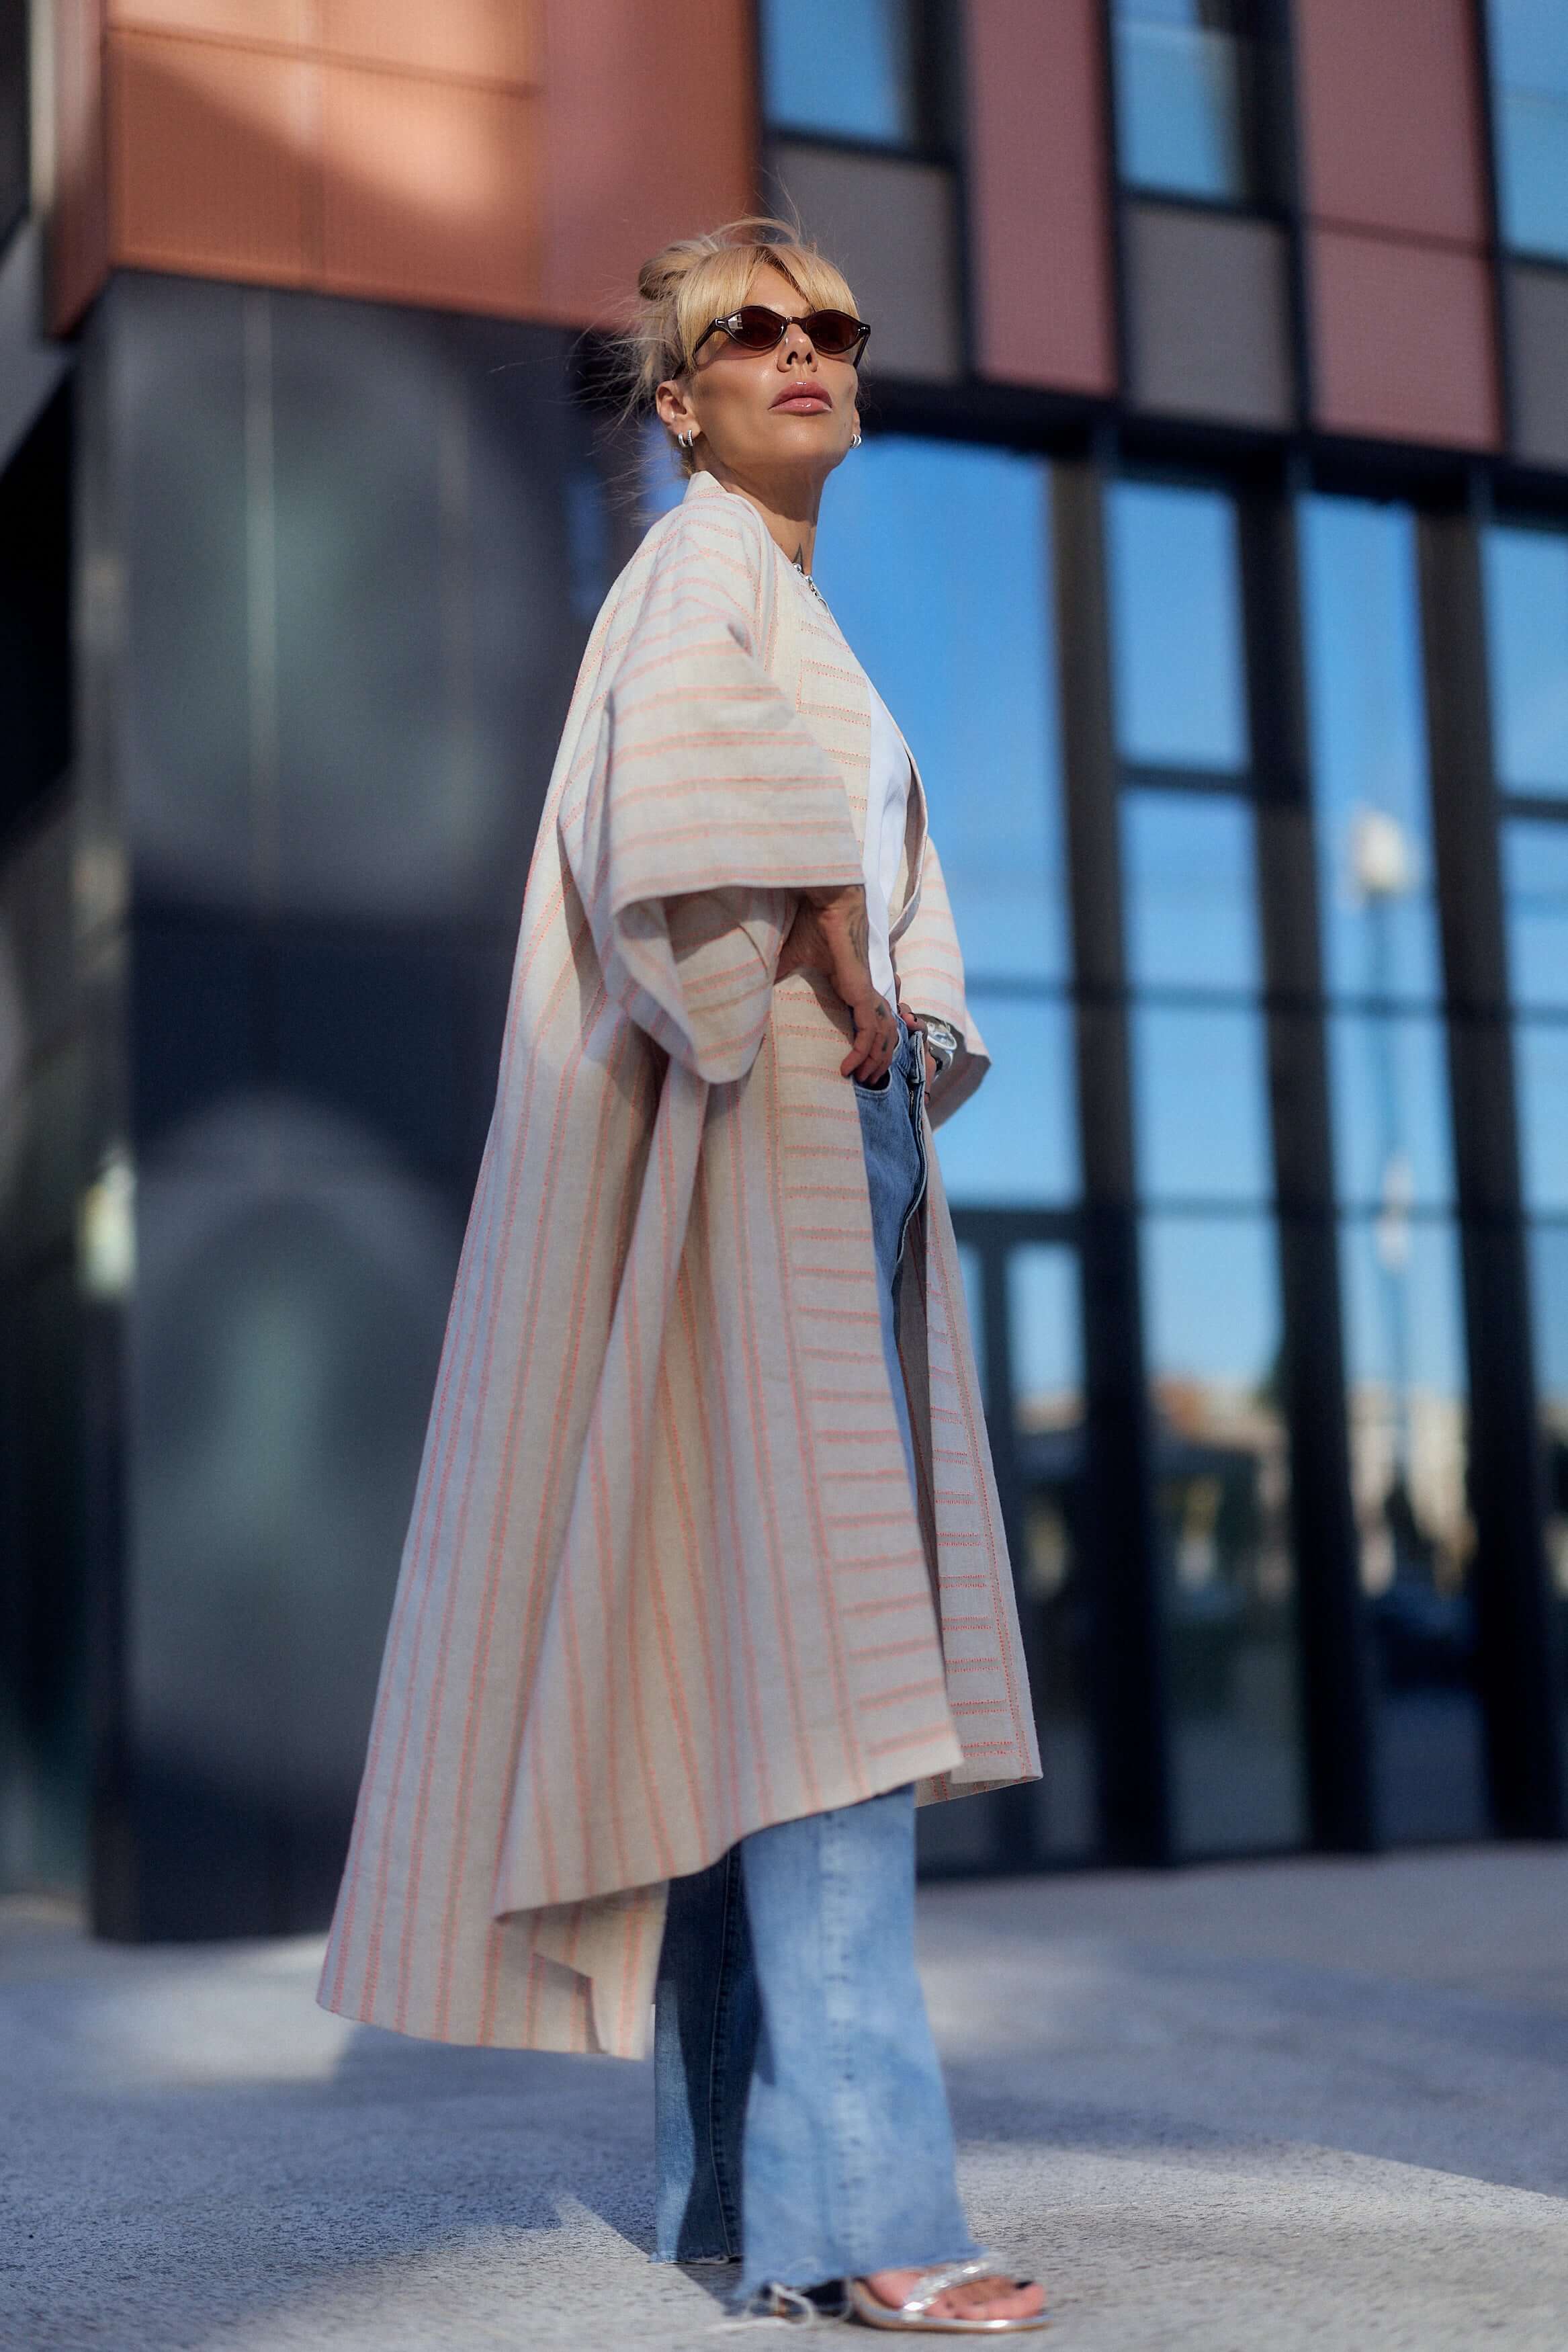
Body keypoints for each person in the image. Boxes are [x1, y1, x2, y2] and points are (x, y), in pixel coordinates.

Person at [317, 218, 1047, 2333]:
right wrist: (839, 942)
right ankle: (877, 2215)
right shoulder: (698, 572)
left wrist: (894, 1018)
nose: (805, 351)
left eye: (834, 324)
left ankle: (735, 2201)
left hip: (820, 1155)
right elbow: (684, 807)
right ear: (682, 396)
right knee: (824, 1696)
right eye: (754, 327)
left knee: (754, 1676)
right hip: (773, 1164)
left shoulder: (780, 602)